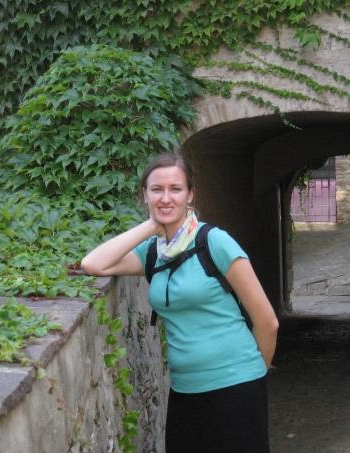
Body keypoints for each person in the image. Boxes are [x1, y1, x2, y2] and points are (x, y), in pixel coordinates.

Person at [81, 153, 279, 453]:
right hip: (184, 391)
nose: (166, 197)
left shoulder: (214, 242)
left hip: (236, 387)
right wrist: (151, 226)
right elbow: (93, 264)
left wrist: (251, 377)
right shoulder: (153, 252)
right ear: (144, 195)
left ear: (190, 195)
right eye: (156, 189)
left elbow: (267, 322)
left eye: (175, 189)